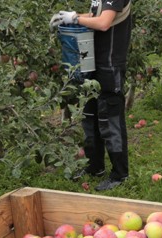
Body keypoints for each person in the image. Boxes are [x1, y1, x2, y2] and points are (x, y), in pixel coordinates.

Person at [51, 1, 133, 191]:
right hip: (92, 64)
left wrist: (77, 19)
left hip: (109, 66)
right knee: (90, 118)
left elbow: (104, 22)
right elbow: (95, 15)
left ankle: (120, 174)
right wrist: (71, 16)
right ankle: (95, 166)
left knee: (110, 121)